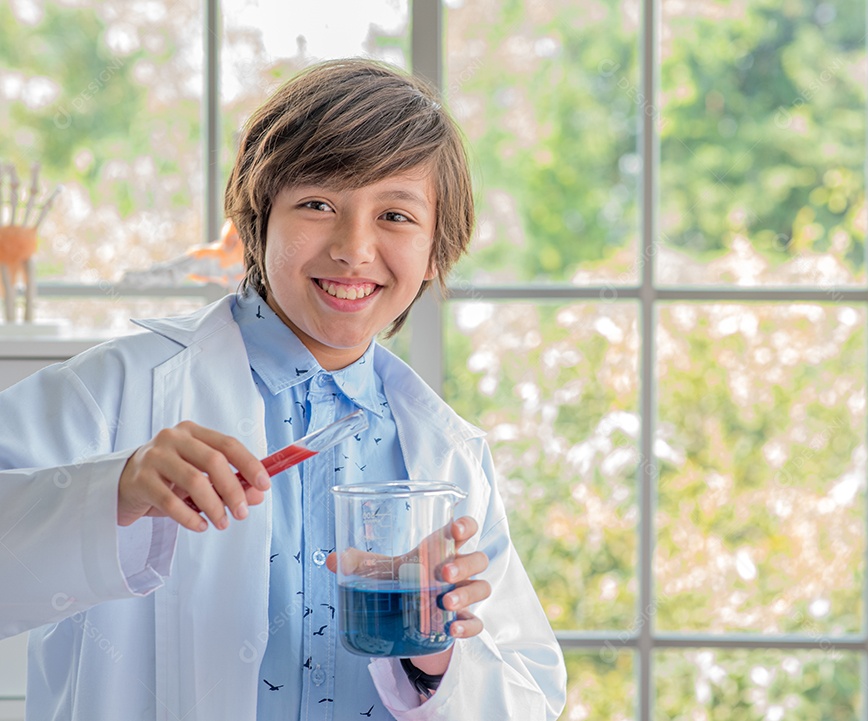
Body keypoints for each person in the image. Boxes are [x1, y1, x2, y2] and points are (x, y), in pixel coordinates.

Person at [0, 58, 566, 720]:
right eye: (318, 204)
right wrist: (113, 493)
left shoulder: (449, 457)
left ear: (437, 250)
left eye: (395, 214)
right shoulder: (118, 390)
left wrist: (429, 656)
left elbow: (530, 695)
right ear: (256, 217)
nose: (355, 248)